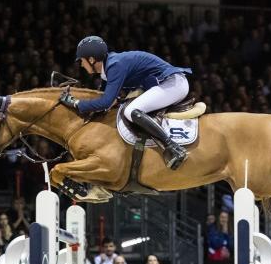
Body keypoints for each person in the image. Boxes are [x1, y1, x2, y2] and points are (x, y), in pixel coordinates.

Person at [59, 36, 191, 169]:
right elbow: (107, 101)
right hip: (165, 85)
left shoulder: (115, 65)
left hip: (173, 84)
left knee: (131, 111)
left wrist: (76, 103)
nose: (81, 64)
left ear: (92, 59)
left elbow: (105, 102)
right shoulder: (108, 69)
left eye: (82, 60)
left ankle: (173, 147)